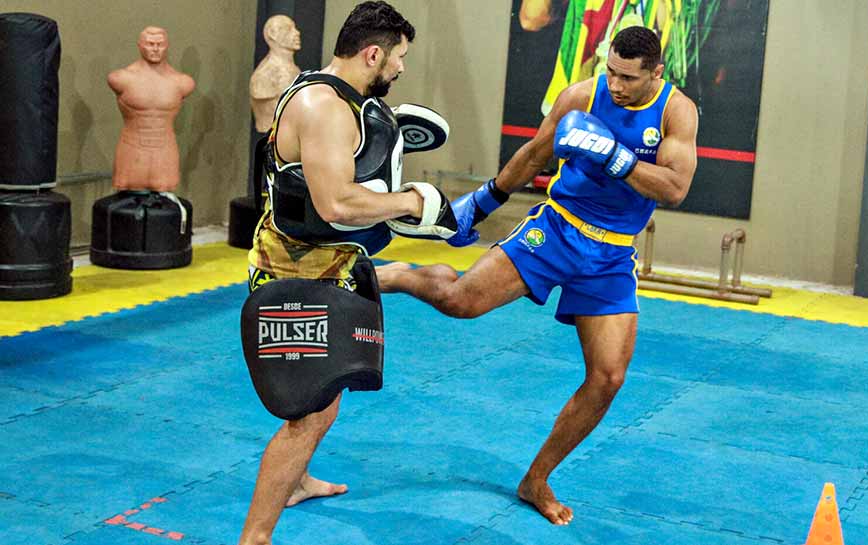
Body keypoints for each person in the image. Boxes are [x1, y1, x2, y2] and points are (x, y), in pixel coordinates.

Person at [377, 26, 698, 525]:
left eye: (628, 78)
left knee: (607, 378)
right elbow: (535, 155)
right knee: (462, 301)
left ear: (656, 72)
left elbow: (675, 188)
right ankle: (397, 276)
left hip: (611, 255)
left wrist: (614, 156)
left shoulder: (678, 111)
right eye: (610, 71)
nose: (615, 85)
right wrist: (480, 205)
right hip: (557, 229)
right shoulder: (581, 95)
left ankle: (536, 479)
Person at [237, 3, 457, 544]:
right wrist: (410, 202)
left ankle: (299, 480)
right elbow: (335, 204)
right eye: (399, 57)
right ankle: (255, 536)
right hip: (294, 274)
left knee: (325, 400)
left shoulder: (335, 96)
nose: (401, 68)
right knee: (306, 415)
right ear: (373, 52)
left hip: (325, 263)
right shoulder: (325, 108)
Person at [107, 26, 195, 192]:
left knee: (162, 210)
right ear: (140, 46)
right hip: (132, 151)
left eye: (160, 44)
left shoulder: (182, 83)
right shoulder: (121, 79)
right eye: (150, 44)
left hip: (165, 152)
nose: (155, 49)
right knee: (128, 210)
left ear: (167, 45)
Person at [250, 15, 302, 133]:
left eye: (295, 28)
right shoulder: (265, 74)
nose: (297, 33)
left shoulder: (294, 70)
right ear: (273, 34)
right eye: (289, 29)